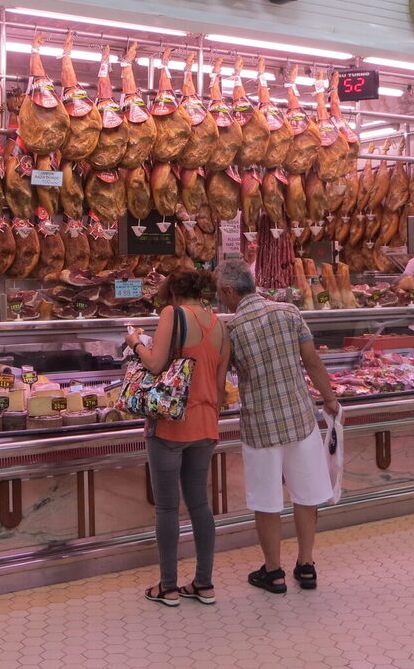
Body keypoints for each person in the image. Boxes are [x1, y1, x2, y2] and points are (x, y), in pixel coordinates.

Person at [214, 259, 340, 594]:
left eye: (220, 293)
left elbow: (220, 380)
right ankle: (307, 564)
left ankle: (274, 572)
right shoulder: (288, 311)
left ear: (229, 290)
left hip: (260, 427)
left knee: (267, 500)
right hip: (300, 418)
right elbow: (312, 361)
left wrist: (209, 410)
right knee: (306, 494)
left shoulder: (232, 328)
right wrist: (328, 399)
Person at [124, 269, 229, 607]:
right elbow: (219, 381)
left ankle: (168, 587)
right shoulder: (220, 324)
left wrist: (136, 343)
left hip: (170, 423)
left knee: (167, 508)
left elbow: (155, 365)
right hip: (206, 422)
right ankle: (204, 583)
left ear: (172, 292)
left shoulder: (173, 313)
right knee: (200, 504)